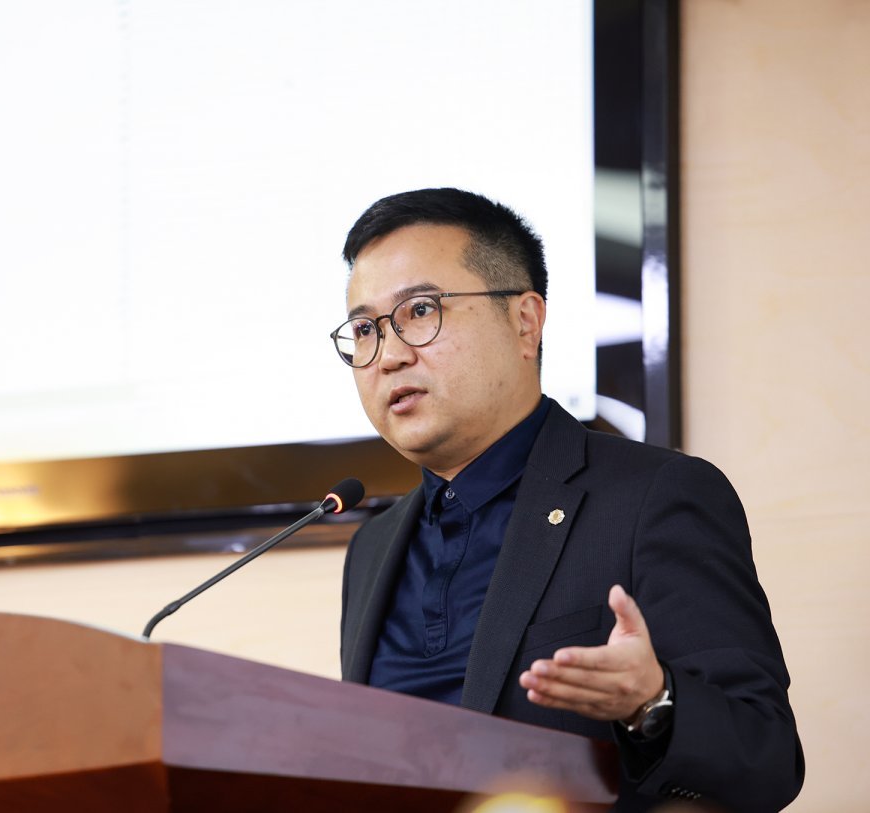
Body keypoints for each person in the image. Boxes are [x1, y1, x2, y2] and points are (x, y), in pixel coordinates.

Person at [333, 188, 803, 811]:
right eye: (365, 329)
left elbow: (766, 758)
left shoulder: (654, 498)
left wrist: (653, 703)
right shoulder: (372, 547)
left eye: (420, 311)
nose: (388, 355)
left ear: (524, 322)